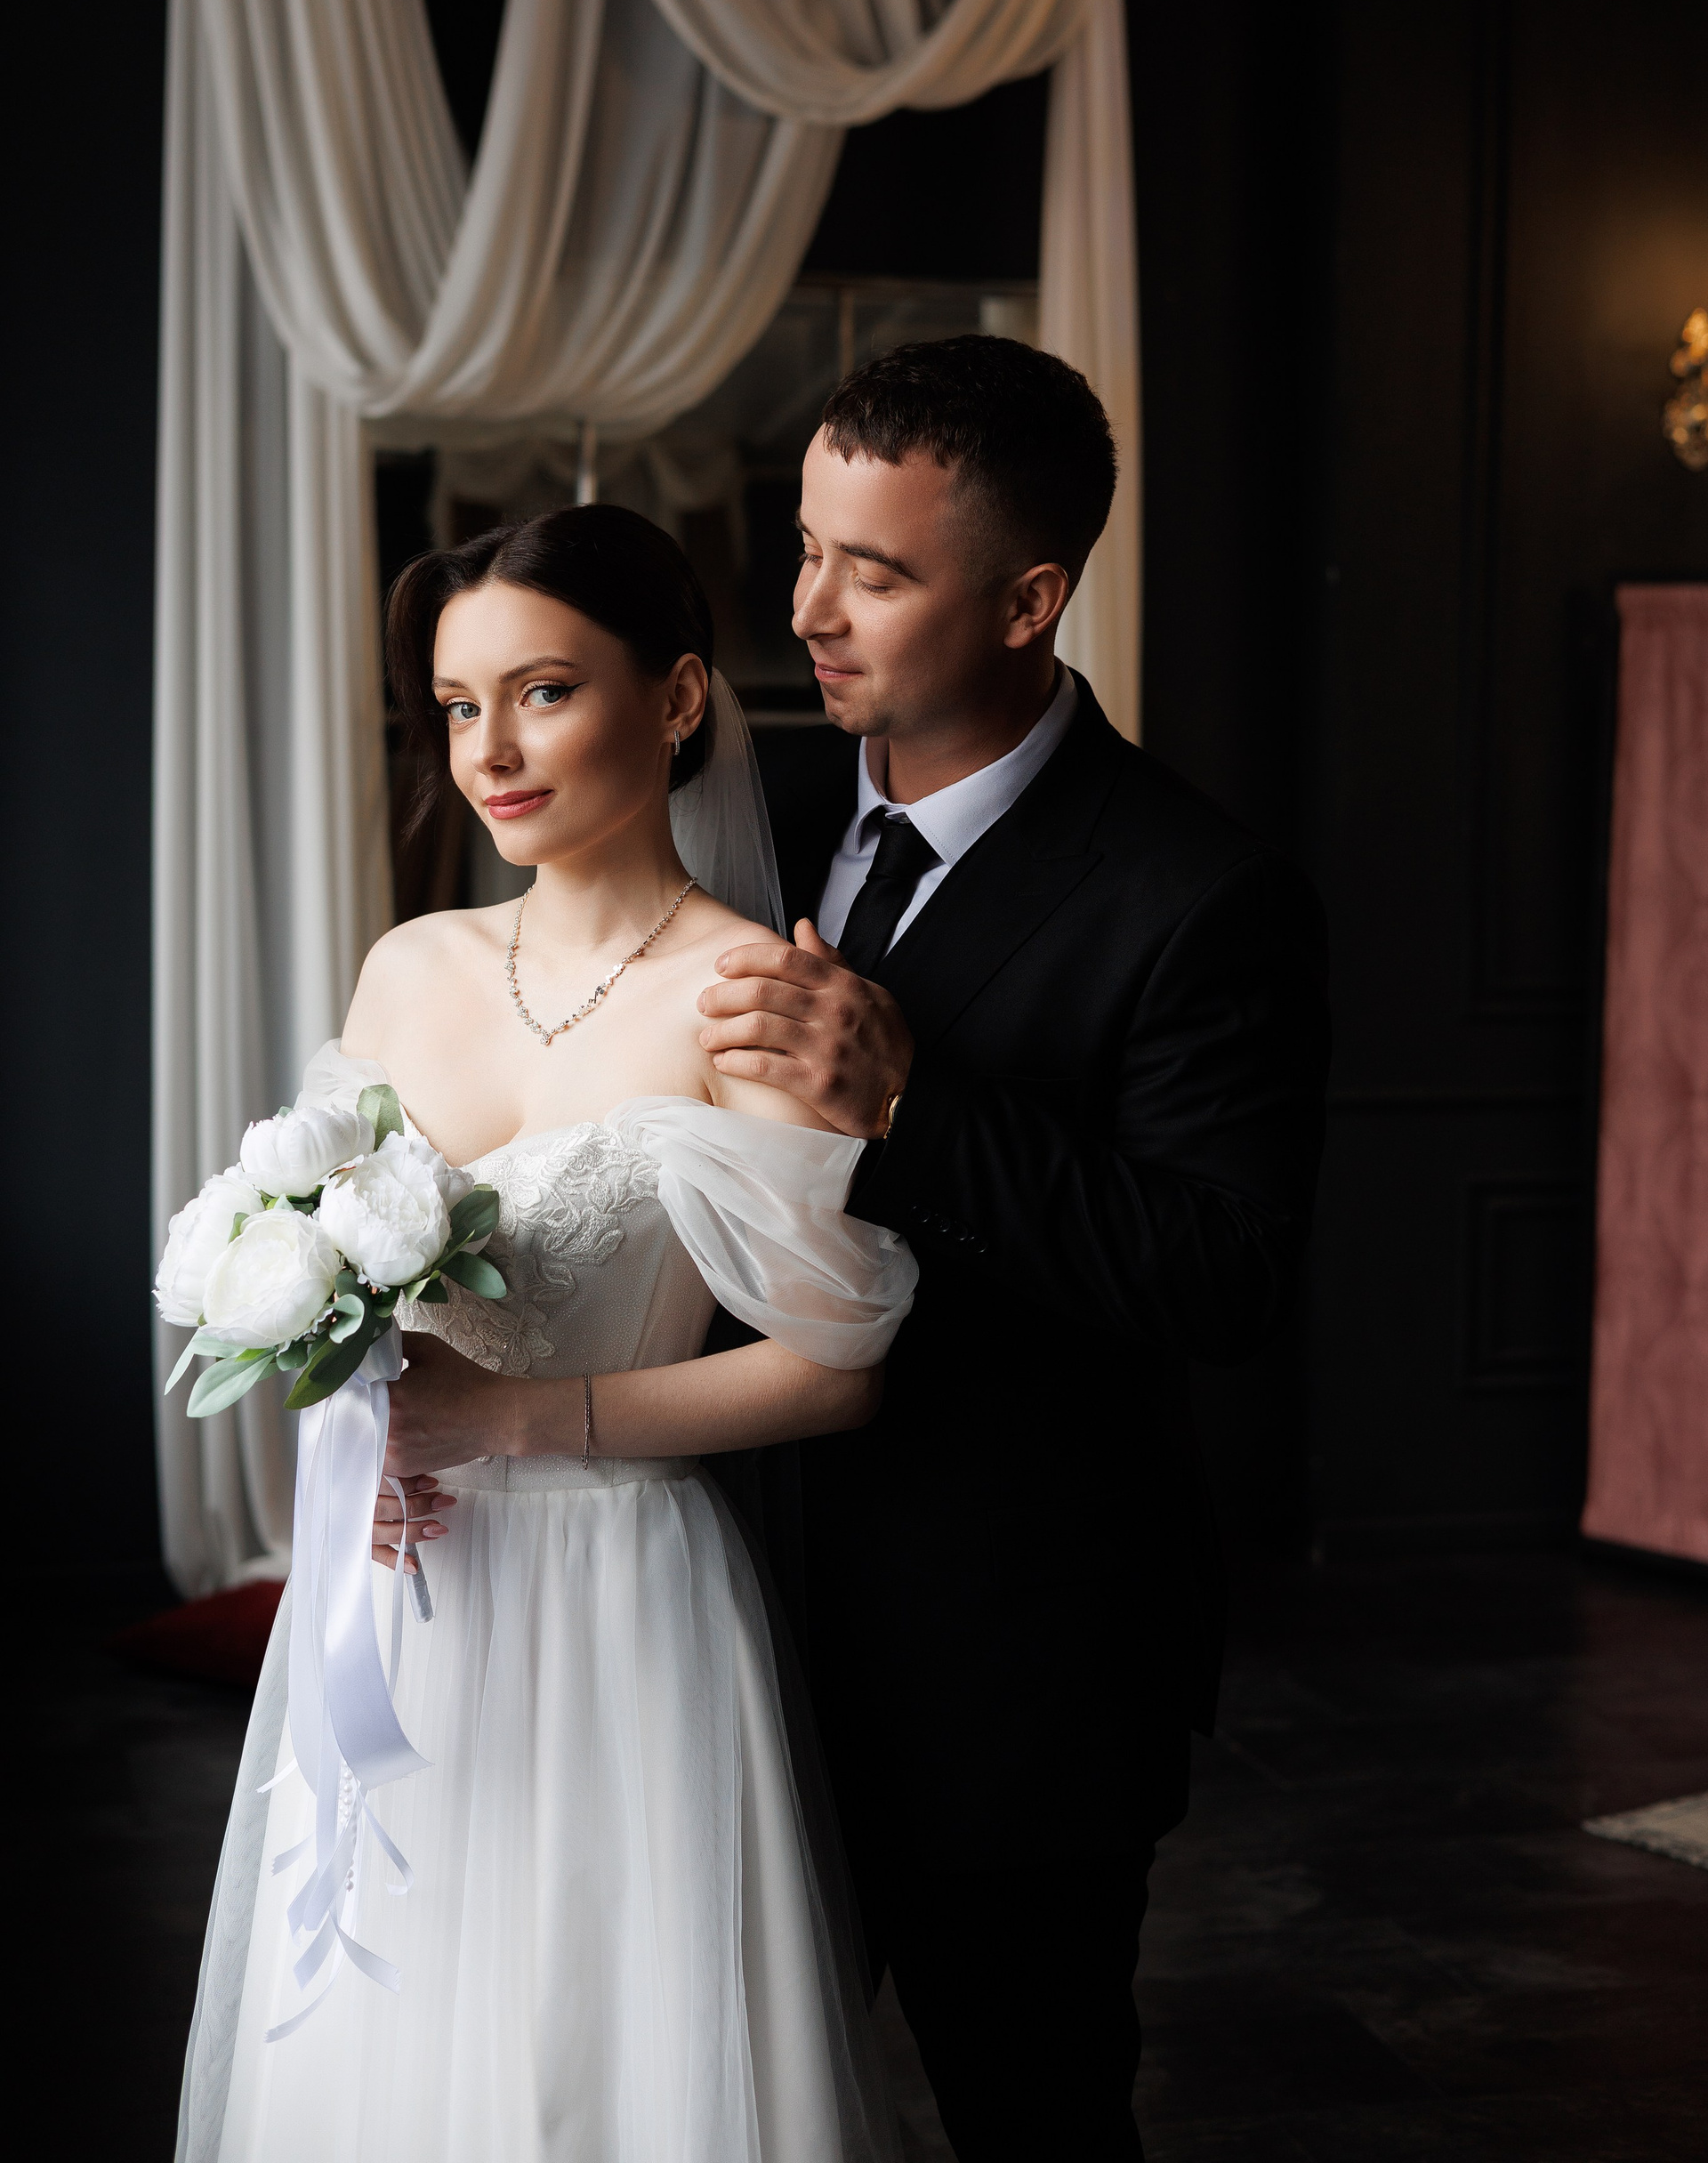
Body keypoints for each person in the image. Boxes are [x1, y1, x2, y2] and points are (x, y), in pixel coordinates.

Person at [175, 506, 914, 2163]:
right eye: (459, 706)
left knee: (601, 2044)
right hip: (402, 1595)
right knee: (385, 2038)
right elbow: (339, 1280)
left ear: (677, 700)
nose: (490, 753)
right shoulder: (409, 967)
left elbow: (835, 1372)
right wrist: (351, 1427)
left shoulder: (745, 994)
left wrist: (518, 1420)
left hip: (615, 1594)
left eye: (544, 692)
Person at [696, 335, 1331, 2162]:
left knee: (1033, 2116)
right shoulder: (755, 819)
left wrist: (914, 1108)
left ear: (1030, 601)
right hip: (721, 1621)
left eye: (873, 572)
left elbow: (1224, 1274)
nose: (807, 612)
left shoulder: (1199, 892)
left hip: (1011, 1674)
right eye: (803, 548)